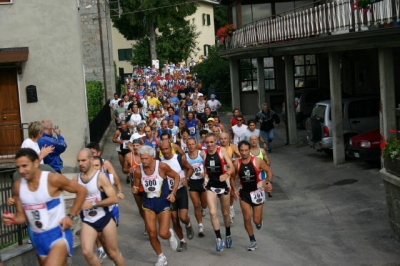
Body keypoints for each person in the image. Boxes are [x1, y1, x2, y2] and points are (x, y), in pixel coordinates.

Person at [3, 148, 87, 266]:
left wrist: (71, 215)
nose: (21, 170)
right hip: (39, 238)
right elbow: (21, 217)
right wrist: (12, 219)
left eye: (24, 166)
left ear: (36, 163)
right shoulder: (18, 186)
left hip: (58, 234)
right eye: (18, 167)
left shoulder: (52, 179)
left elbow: (81, 190)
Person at [74, 148, 125, 266]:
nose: (80, 163)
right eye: (78, 161)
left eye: (83, 160)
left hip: (105, 218)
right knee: (87, 252)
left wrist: (93, 204)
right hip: (88, 220)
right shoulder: (76, 179)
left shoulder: (100, 177)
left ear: (91, 160)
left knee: (113, 253)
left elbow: (113, 199)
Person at [132, 146, 180, 266]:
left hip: (163, 202)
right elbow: (136, 188)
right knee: (151, 233)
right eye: (141, 159)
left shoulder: (161, 166)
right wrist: (135, 189)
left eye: (146, 159)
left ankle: (169, 234)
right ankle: (161, 257)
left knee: (162, 234)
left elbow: (176, 176)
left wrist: (173, 193)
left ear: (152, 157)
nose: (143, 161)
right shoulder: (138, 171)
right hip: (148, 204)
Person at [233, 140, 273, 251]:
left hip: (257, 192)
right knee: (246, 218)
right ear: (239, 151)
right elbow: (232, 177)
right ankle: (253, 241)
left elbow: (268, 171)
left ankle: (260, 220)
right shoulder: (237, 163)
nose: (244, 152)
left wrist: (268, 182)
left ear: (249, 150)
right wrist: (234, 188)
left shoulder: (258, 161)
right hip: (244, 193)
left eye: (246, 150)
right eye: (242, 150)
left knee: (256, 220)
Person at [160, 142, 194, 252]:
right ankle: (183, 241)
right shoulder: (159, 162)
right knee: (174, 219)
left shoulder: (179, 158)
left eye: (166, 149)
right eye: (163, 149)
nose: (165, 151)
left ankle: (188, 224)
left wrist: (186, 178)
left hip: (180, 191)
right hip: (169, 194)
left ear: (170, 148)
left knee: (183, 217)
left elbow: (190, 168)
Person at [204, 133, 235, 251]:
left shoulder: (222, 151)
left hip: (223, 184)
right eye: (207, 142)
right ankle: (218, 238)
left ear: (215, 141)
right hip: (211, 185)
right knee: (212, 213)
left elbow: (232, 167)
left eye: (212, 142)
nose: (210, 145)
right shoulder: (204, 153)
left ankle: (228, 234)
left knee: (225, 213)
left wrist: (226, 174)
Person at [91, 156, 122, 262]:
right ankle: (104, 251)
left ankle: (115, 255)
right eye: (92, 166)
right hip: (96, 213)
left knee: (109, 240)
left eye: (97, 166)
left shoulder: (109, 177)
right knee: (100, 237)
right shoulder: (85, 179)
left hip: (111, 211)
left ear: (102, 166)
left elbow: (117, 182)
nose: (95, 168)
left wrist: (120, 192)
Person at [186, 137, 207, 237]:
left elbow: (207, 165)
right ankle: (200, 226)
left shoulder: (201, 154)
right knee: (196, 204)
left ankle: (204, 208)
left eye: (192, 144)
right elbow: (184, 170)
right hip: (193, 182)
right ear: (187, 146)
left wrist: (205, 174)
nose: (191, 146)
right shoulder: (185, 157)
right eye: (189, 144)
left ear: (196, 144)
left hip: (202, 182)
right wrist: (186, 177)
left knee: (204, 204)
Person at [219, 133, 240, 223]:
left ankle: (230, 208)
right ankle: (227, 211)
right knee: (223, 195)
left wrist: (233, 160)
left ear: (228, 139)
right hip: (221, 173)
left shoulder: (233, 147)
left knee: (231, 192)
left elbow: (241, 156)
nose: (223, 140)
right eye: (221, 138)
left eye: (225, 138)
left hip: (231, 173)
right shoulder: (217, 148)